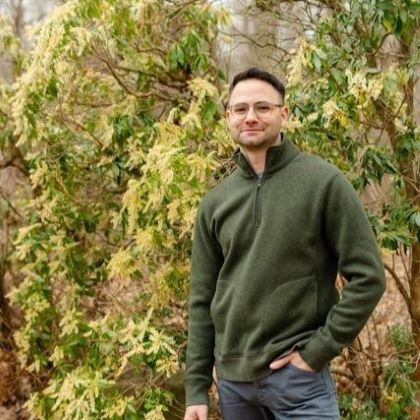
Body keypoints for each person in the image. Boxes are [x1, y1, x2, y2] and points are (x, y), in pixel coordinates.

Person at [183, 67, 386, 420]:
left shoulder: (323, 183)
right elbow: (202, 300)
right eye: (240, 109)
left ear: (284, 114)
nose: (250, 117)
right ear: (228, 117)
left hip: (299, 383)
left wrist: (317, 352)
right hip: (234, 386)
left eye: (263, 107)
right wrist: (196, 390)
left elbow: (369, 277)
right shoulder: (215, 203)